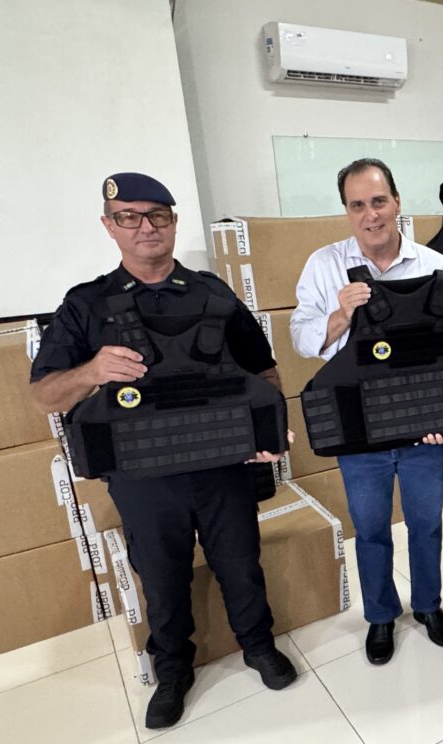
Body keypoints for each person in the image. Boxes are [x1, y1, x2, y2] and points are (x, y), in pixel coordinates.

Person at [29, 173, 297, 729]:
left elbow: (263, 371)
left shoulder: (212, 293)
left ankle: (258, 646)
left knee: (240, 564)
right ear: (110, 227)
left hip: (223, 465)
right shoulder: (85, 305)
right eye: (129, 216)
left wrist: (266, 435)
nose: (146, 227)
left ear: (174, 222)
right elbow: (43, 396)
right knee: (161, 575)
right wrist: (91, 371)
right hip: (143, 475)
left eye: (158, 215)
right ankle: (174, 670)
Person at [290, 158, 443, 665]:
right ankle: (381, 617)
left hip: (423, 424)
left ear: (398, 202)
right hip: (358, 423)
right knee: (371, 528)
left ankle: (428, 606)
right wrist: (341, 314)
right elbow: (300, 340)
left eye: (379, 201)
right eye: (357, 204)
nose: (371, 214)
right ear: (347, 211)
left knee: (427, 523)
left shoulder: (435, 266)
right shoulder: (324, 266)